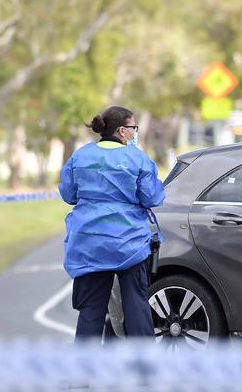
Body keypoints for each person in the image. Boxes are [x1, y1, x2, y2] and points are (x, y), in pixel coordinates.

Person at [59, 106, 165, 341]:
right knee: (136, 306)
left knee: (91, 311)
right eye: (133, 128)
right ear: (121, 131)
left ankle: (81, 375)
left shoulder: (80, 156)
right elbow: (152, 197)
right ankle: (145, 369)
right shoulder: (137, 158)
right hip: (129, 245)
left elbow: (69, 194)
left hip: (90, 244)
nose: (135, 132)